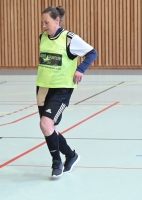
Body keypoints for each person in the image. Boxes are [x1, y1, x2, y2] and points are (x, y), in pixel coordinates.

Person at [36, 6, 98, 177]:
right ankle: (71, 156)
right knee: (50, 128)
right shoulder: (42, 37)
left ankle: (57, 163)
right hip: (42, 88)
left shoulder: (69, 39)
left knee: (45, 124)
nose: (43, 25)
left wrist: (81, 69)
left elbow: (92, 53)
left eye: (46, 22)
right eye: (42, 22)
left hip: (62, 89)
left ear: (57, 20)